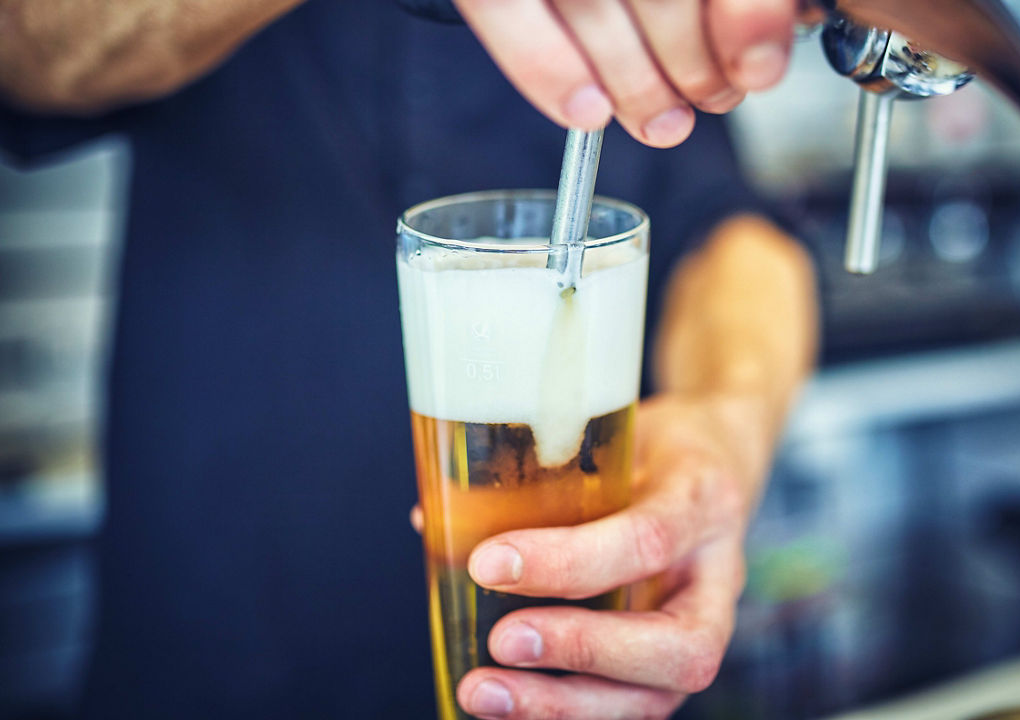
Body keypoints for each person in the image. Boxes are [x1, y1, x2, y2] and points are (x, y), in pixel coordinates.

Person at [0, 1, 816, 718]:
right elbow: (26, 50)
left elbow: (729, 225)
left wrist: (726, 423)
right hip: (210, 637)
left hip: (579, 666)